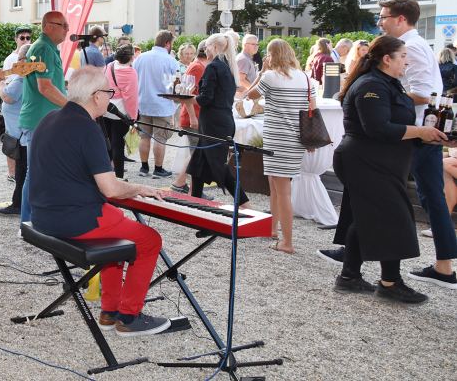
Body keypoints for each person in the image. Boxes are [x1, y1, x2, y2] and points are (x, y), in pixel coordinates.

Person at [29, 66, 170, 336]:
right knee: (149, 240)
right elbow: (110, 189)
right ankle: (129, 317)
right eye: (109, 92)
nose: (111, 97)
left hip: (44, 216)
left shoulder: (49, 118)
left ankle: (110, 310)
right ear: (96, 96)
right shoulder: (87, 128)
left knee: (116, 241)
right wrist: (140, 188)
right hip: (75, 219)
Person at [330, 35, 445, 303]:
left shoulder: (389, 84)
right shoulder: (372, 85)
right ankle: (390, 283)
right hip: (365, 161)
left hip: (379, 162)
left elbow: (394, 126)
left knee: (367, 217)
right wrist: (419, 131)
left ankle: (349, 277)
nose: (407, 60)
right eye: (403, 56)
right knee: (394, 218)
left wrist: (427, 135)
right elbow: (377, 128)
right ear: (387, 59)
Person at [375, 0, 457, 289]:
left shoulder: (411, 47)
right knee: (430, 195)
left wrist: (385, 92)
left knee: (422, 195)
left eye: (383, 17)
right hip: (421, 130)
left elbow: (425, 93)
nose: (380, 22)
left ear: (400, 19)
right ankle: (444, 266)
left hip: (419, 132)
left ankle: (444, 266)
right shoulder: (414, 45)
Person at [246, 39, 314, 254]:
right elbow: (312, 107)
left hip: (277, 138)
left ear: (272, 55)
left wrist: (262, 71)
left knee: (282, 190)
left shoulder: (270, 76)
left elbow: (251, 94)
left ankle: (287, 241)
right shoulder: (305, 77)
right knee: (276, 185)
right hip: (296, 139)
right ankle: (273, 229)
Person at [186, 33, 250, 206]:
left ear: (214, 47)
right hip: (221, 120)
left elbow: (206, 98)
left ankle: (245, 204)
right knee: (197, 166)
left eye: (206, 46)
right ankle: (196, 205)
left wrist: (188, 99)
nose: (204, 49)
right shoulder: (228, 66)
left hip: (214, 122)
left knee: (219, 166)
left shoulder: (213, 67)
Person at [18, 11, 70, 223]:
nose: (67, 29)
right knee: (36, 173)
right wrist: (73, 107)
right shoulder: (42, 48)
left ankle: (35, 219)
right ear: (48, 26)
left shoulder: (48, 48)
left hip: (45, 119)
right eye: (63, 25)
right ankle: (27, 222)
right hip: (41, 120)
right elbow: (45, 88)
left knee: (43, 172)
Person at [132, 30, 178, 178]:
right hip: (162, 104)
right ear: (167, 43)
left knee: (144, 137)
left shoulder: (141, 58)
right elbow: (174, 83)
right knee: (160, 138)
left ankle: (144, 167)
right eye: (172, 43)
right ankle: (158, 169)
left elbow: (134, 79)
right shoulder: (170, 60)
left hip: (143, 103)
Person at [0, 43, 29, 216]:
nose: (18, 62)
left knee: (22, 172)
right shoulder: (25, 78)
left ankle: (18, 204)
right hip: (21, 133)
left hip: (22, 135)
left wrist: (1, 84)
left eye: (21, 59)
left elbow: (8, 97)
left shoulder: (21, 79)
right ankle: (20, 203)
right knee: (22, 171)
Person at [170, 40, 207, 194]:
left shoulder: (198, 66)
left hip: (196, 116)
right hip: (194, 117)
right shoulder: (197, 67)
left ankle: (181, 184)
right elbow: (187, 94)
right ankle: (187, 186)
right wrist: (193, 117)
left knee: (196, 153)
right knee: (196, 154)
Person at [103, 44, 138, 180]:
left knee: (107, 144)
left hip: (106, 108)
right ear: (131, 57)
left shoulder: (110, 66)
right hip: (121, 113)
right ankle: (118, 177)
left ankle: (105, 175)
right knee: (118, 146)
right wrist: (133, 117)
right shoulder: (130, 72)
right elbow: (131, 97)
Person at [2, 26, 32, 180]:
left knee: (18, 144)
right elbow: (9, 82)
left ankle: (17, 175)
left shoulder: (27, 65)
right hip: (15, 109)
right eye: (22, 37)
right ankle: (12, 172)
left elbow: (8, 95)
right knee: (13, 142)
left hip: (18, 107)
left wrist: (1, 85)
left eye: (28, 37)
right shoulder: (10, 59)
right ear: (16, 39)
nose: (25, 40)